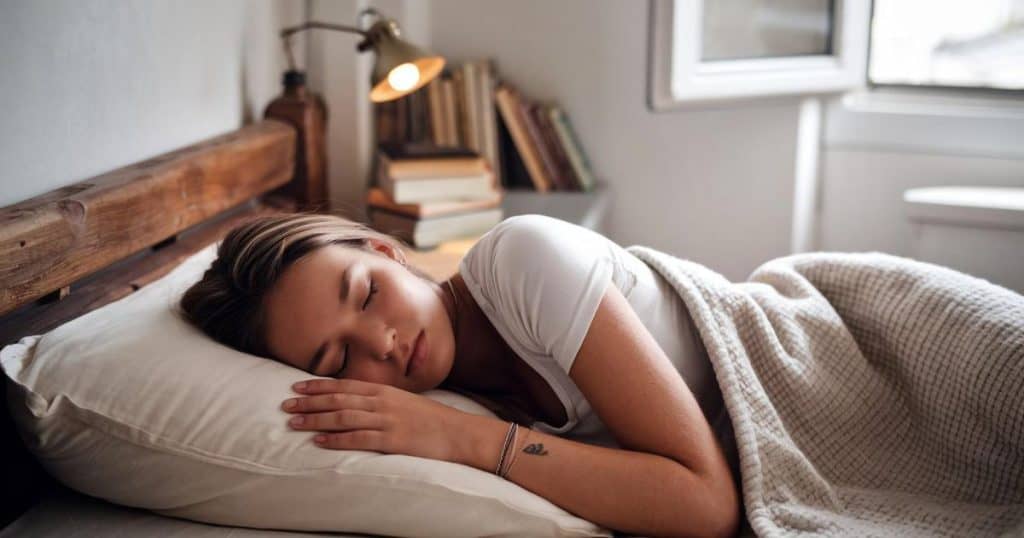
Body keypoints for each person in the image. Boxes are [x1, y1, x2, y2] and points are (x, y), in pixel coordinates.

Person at [180, 212, 742, 538]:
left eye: (369, 292)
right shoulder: (448, 387)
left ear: (385, 250)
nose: (382, 343)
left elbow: (707, 505)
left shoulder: (524, 261)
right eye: (340, 362)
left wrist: (459, 436)